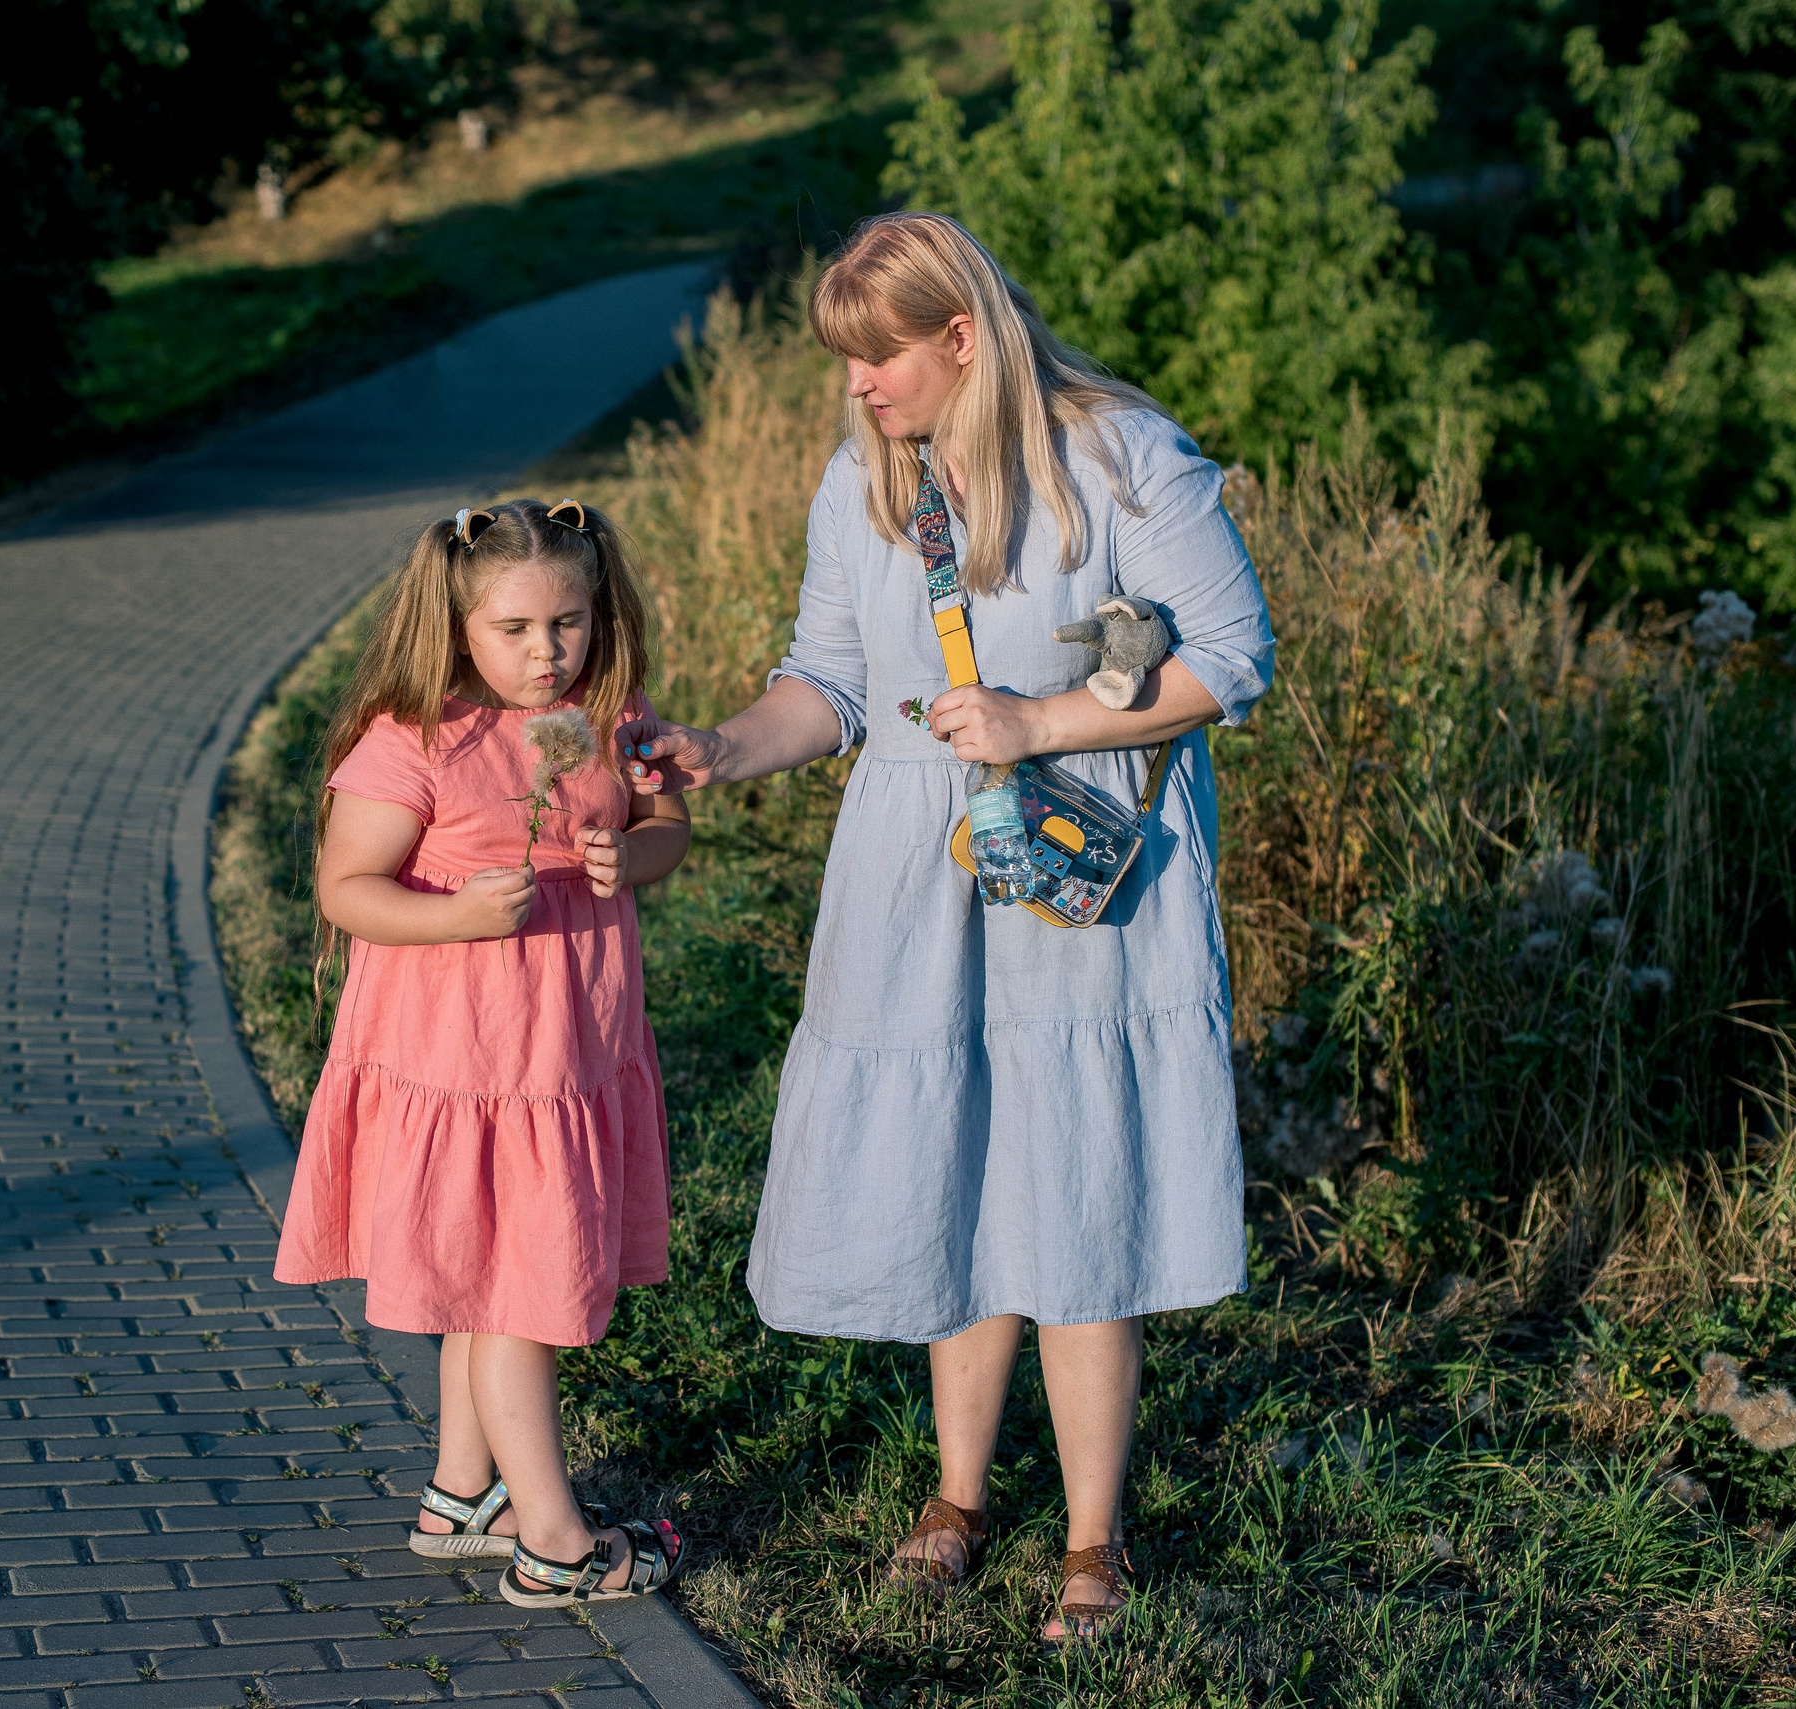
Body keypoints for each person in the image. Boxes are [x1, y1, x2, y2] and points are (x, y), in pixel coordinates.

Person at [617, 213, 1274, 1644]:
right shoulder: (863, 483)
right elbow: (830, 684)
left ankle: (1093, 1539)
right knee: (957, 1153)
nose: (856, 385)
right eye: (843, 359)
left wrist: (1045, 719)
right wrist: (720, 747)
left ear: (961, 338)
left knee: (1081, 1170)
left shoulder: (1119, 454)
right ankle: (959, 1497)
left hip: (1079, 864)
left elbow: (1233, 656)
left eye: (877, 356)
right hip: (918, 867)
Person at [276, 498, 693, 1609]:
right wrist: (456, 914)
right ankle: (555, 1540)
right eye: (514, 629)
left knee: (485, 1275)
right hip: (470, 1058)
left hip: (568, 1044)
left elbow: (667, 823)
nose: (546, 652)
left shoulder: (608, 712)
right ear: (456, 624)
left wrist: (627, 854)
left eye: (569, 622)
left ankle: (463, 1491)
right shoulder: (414, 738)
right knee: (516, 1288)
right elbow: (346, 888)